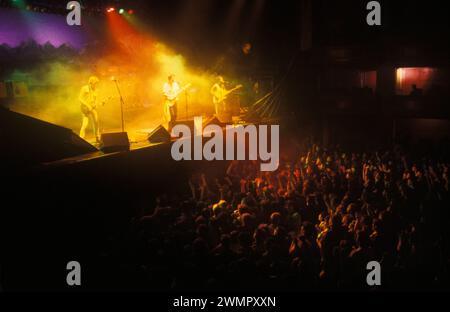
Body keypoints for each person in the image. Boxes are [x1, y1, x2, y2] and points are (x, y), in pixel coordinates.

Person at [79, 76, 100, 142]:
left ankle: (97, 137)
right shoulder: (85, 88)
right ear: (91, 83)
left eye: (97, 84)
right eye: (95, 83)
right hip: (85, 108)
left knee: (96, 122)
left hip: (92, 108)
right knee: (85, 123)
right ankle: (81, 139)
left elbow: (95, 99)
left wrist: (96, 104)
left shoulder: (96, 90)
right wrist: (87, 105)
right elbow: (80, 98)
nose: (96, 85)